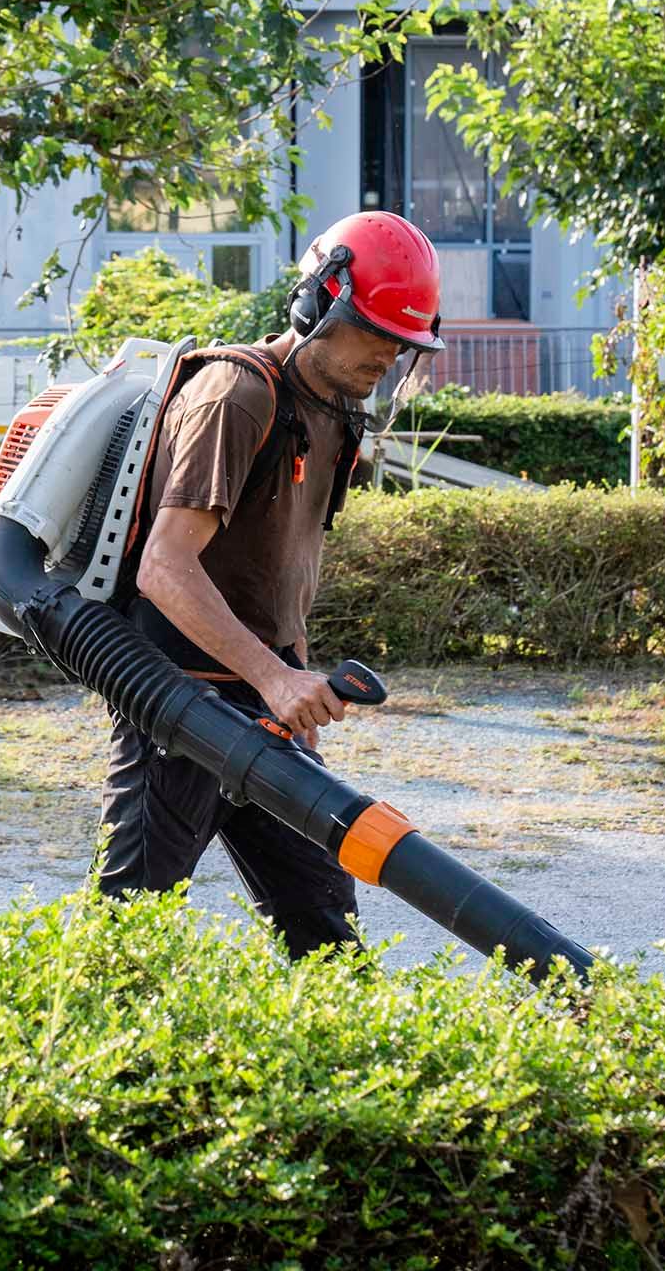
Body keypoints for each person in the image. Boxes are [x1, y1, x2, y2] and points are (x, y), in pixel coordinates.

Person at [98, 212, 447, 959]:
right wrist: (274, 675)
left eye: (404, 342)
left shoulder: (336, 411)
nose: (389, 353)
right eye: (375, 330)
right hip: (177, 701)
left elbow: (280, 565)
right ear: (318, 303)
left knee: (322, 912)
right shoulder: (237, 397)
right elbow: (165, 566)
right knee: (134, 929)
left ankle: (336, 1071)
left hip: (260, 704)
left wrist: (293, 681)